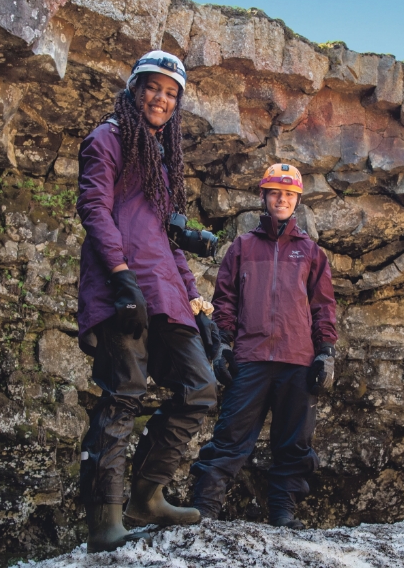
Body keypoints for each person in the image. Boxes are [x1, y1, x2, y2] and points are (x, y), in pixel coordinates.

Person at [75, 50, 218, 553]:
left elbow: (167, 240)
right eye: (153, 86)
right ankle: (105, 519)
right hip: (123, 288)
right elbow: (94, 208)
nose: (161, 98)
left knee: (199, 389)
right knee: (124, 392)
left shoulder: (160, 161)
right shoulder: (108, 137)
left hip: (166, 293)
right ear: (135, 89)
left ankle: (146, 495)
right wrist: (120, 277)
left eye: (171, 92)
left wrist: (197, 303)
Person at [189, 163, 338, 529]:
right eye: (275, 193)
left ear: (297, 200)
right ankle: (203, 510)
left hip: (298, 361)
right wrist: (221, 346)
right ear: (264, 197)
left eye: (288, 194)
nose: (281, 199)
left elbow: (323, 306)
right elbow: (224, 300)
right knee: (229, 438)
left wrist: (325, 352)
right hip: (251, 358)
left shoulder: (311, 253)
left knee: (294, 444)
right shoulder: (242, 247)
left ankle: (282, 515)